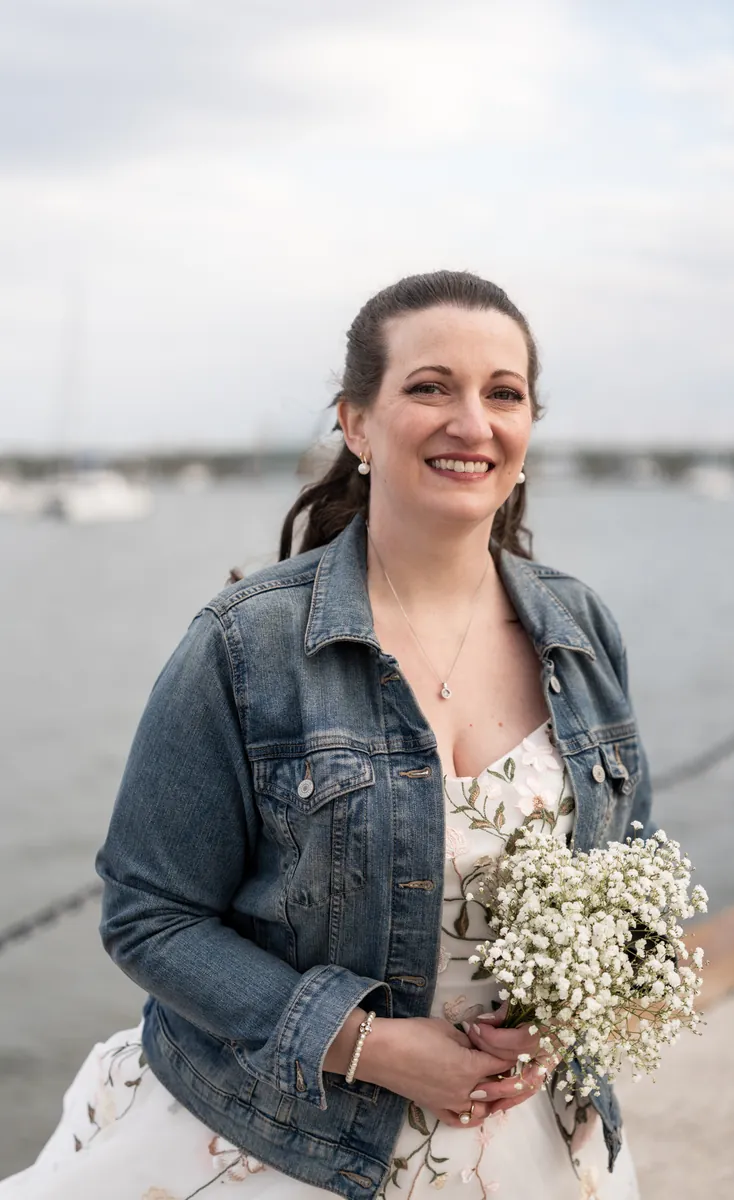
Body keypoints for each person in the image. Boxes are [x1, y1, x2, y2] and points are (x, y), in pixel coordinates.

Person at [0, 270, 651, 1200]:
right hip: (284, 1140)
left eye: (503, 393)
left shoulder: (582, 631)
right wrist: (369, 1045)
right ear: (356, 424)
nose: (472, 422)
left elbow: (628, 879)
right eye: (431, 387)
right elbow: (150, 914)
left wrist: (562, 1022)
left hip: (533, 1146)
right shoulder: (245, 643)